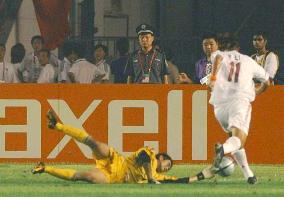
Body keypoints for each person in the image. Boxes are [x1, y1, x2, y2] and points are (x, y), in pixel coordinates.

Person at [189, 36, 270, 184]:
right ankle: (223, 149)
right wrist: (256, 92)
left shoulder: (217, 54)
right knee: (238, 140)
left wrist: (213, 78)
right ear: (238, 48)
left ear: (222, 47)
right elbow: (267, 81)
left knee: (235, 139)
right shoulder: (248, 60)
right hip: (239, 101)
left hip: (219, 106)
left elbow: (218, 58)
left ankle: (249, 175)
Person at [32, 109, 191, 184]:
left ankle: (45, 168)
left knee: (86, 177)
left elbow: (179, 180)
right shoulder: (149, 154)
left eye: (168, 168)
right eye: (167, 164)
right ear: (161, 157)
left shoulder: (159, 177)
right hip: (115, 160)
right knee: (94, 143)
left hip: (113, 177)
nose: (166, 168)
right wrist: (149, 177)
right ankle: (58, 126)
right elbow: (143, 158)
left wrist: (201, 176)